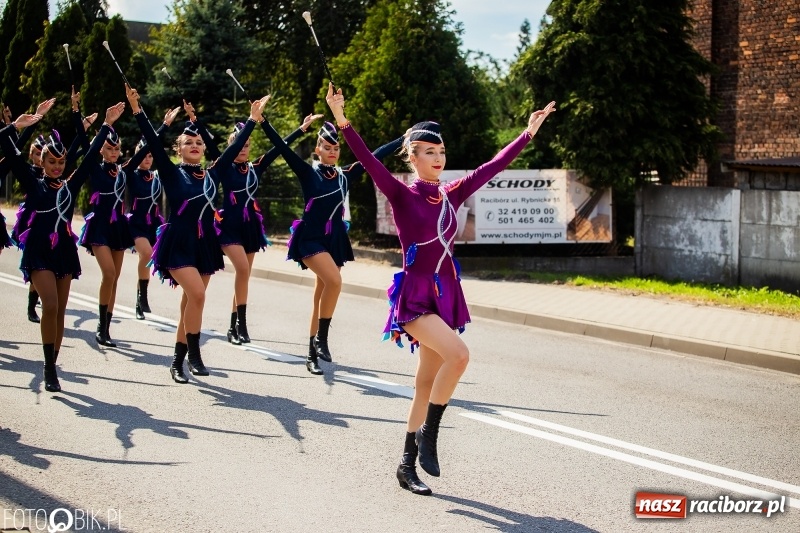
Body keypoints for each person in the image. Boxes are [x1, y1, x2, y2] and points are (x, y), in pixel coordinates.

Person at [326, 83, 556, 495]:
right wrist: (342, 120)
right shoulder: (400, 193)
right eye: (429, 152)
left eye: (442, 152)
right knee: (460, 355)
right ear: (412, 157)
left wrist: (527, 132)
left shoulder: (450, 195)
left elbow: (492, 167)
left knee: (423, 383)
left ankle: (405, 465)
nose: (438, 158)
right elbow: (365, 158)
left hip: (445, 294)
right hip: (415, 297)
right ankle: (431, 434)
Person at [126, 84, 268, 383]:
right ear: (178, 149)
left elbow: (231, 151)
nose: (194, 145)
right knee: (199, 295)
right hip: (178, 241)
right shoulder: (170, 171)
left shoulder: (212, 173)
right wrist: (137, 109)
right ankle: (194, 354)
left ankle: (177, 362)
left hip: (204, 243)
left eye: (199, 142)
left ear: (204, 149)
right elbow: (151, 139)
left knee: (192, 302)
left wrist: (253, 119)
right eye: (188, 142)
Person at [261, 108, 403, 375]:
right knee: (335, 282)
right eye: (327, 147)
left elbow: (375, 156)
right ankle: (322, 338)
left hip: (334, 239)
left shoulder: (343, 175)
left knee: (320, 295)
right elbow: (280, 145)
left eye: (335, 148)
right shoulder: (307, 172)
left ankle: (311, 353)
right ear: (317, 149)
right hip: (310, 239)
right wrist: (263, 121)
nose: (332, 151)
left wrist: (402, 139)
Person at [0, 100, 125, 392]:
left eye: (60, 162)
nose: (57, 167)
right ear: (42, 163)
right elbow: (9, 151)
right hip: (39, 251)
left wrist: (106, 124)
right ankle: (47, 367)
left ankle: (52, 365)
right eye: (51, 162)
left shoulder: (71, 184)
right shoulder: (33, 184)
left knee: (60, 310)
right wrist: (16, 127)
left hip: (64, 252)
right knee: (51, 305)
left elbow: (92, 153)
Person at [189, 104, 323, 345]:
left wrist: (301, 130)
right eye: (239, 145)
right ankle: (240, 323)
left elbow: (278, 149)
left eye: (247, 145)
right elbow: (209, 145)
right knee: (241, 269)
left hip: (250, 227)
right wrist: (195, 119)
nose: (243, 149)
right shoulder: (224, 167)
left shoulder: (255, 167)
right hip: (227, 226)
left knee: (244, 275)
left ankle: (234, 325)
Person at [125, 107, 182, 320]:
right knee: (147, 254)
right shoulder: (130, 173)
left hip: (153, 223)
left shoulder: (157, 176)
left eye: (150, 156)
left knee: (156, 256)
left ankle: (142, 296)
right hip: (135, 223)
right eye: (144, 155)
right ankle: (141, 298)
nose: (147, 159)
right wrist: (162, 127)